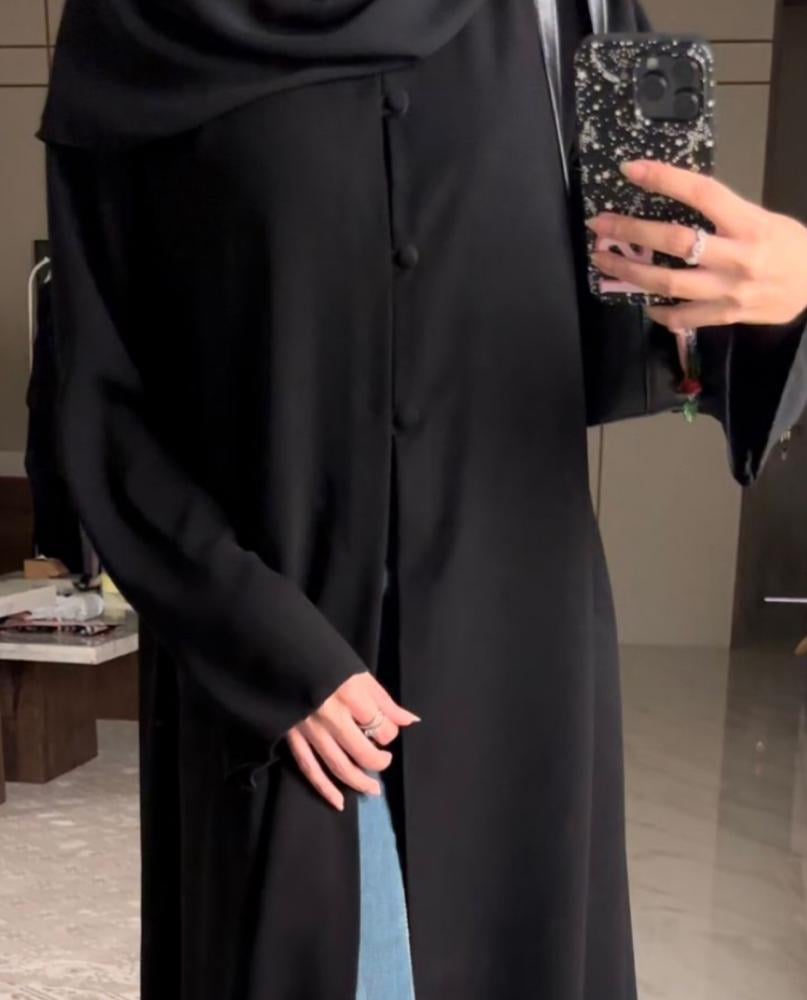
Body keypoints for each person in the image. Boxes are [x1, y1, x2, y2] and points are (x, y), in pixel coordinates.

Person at [39, 0, 807, 998]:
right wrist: (264, 644)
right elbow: (97, 396)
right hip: (275, 674)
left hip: (514, 665)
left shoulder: (555, 11)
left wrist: (773, 302)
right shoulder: (143, 25)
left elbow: (638, 349)